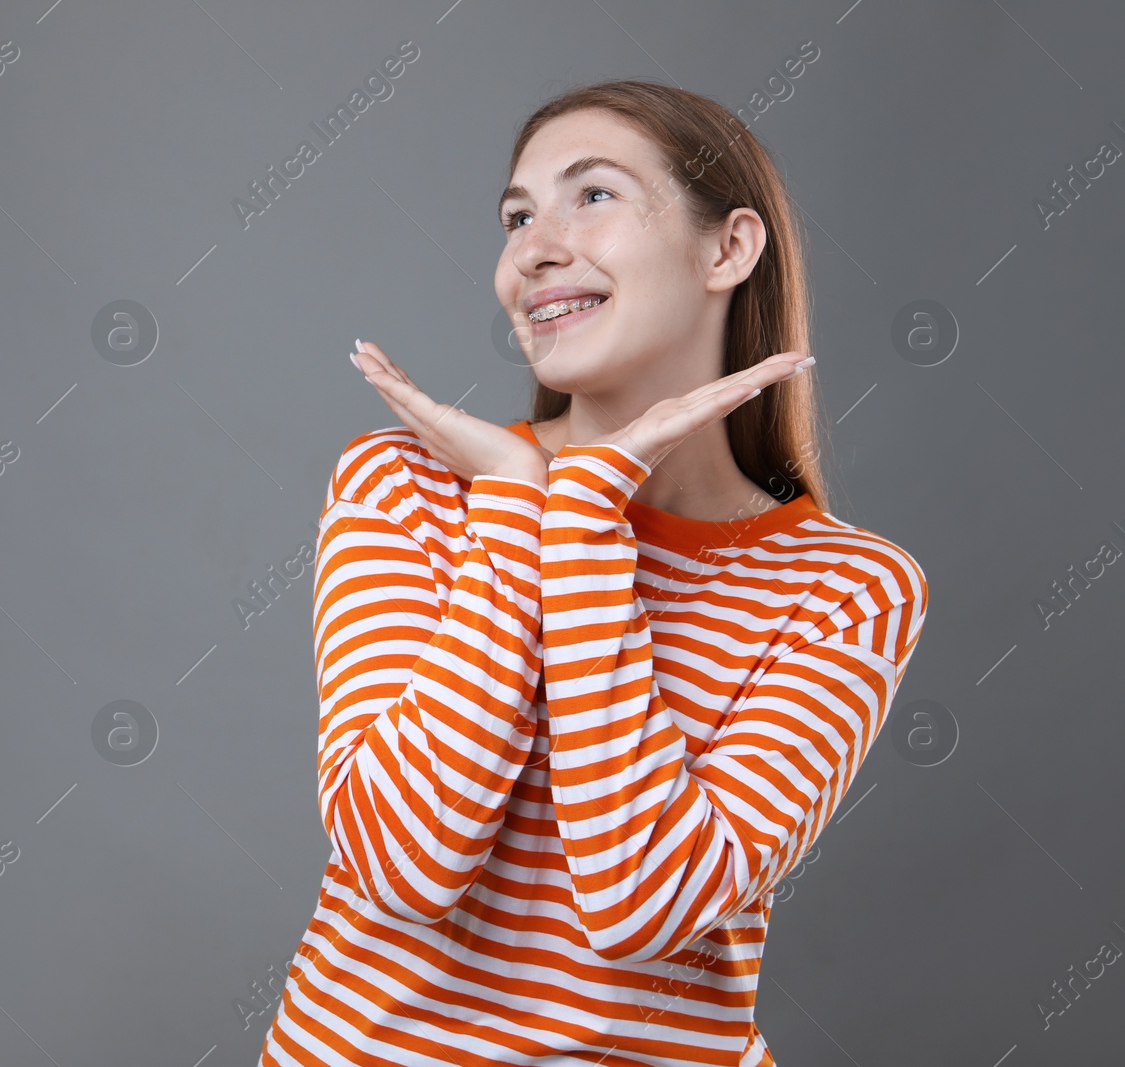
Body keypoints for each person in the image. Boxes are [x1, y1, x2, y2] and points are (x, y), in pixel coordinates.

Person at [258, 79, 929, 1066]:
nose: (531, 249)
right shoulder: (406, 485)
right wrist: (519, 501)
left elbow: (642, 900)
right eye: (516, 215)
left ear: (727, 249)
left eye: (593, 196)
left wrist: (575, 513)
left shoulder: (849, 587)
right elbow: (403, 861)